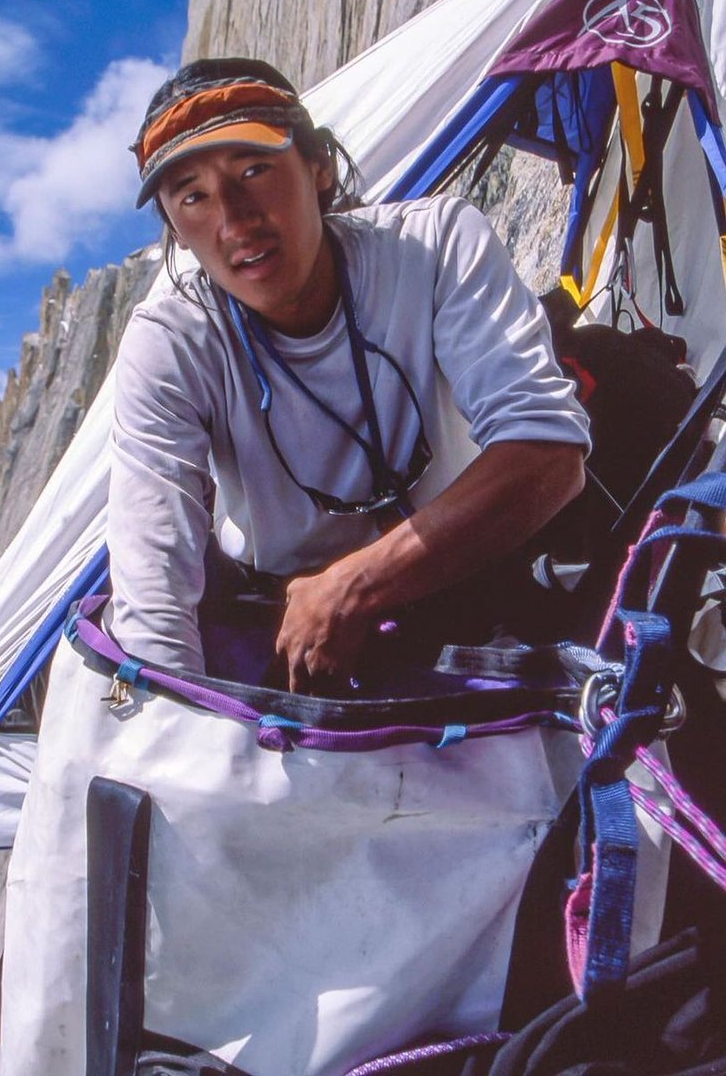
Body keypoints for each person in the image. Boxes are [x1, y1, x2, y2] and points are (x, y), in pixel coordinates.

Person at [106, 57, 590, 695]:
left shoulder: (435, 246)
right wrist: (171, 733)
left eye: (253, 171)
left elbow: (550, 454)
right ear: (176, 228)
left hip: (466, 574)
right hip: (277, 622)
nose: (234, 220)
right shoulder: (171, 343)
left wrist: (355, 585)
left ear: (319, 169)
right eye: (193, 196)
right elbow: (153, 595)